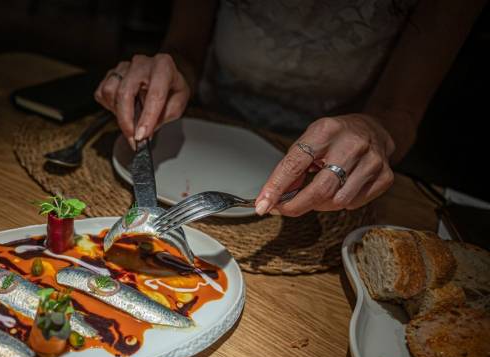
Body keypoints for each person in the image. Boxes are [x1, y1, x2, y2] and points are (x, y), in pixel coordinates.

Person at [94, 0, 486, 216]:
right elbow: (186, 51)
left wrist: (376, 132)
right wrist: (166, 72)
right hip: (202, 125)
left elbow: (399, 110)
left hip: (332, 169)